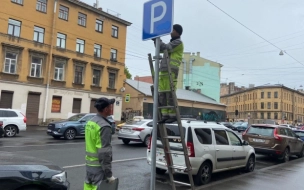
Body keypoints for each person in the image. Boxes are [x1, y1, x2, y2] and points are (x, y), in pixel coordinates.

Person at [152, 24, 184, 123]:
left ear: (177, 32)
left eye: (172, 30)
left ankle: (172, 116)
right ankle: (165, 115)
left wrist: (157, 38)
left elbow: (166, 47)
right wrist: (156, 41)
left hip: (171, 70)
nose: (171, 32)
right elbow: (161, 49)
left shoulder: (178, 42)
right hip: (164, 70)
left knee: (170, 94)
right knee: (162, 94)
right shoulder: (173, 42)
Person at [84, 97, 116, 190]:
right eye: (110, 106)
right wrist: (108, 174)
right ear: (106, 109)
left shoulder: (90, 122)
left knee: (88, 186)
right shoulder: (104, 126)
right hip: (98, 167)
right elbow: (104, 152)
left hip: (89, 164)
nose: (111, 108)